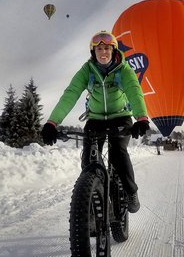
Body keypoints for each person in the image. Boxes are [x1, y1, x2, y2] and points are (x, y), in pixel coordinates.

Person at [41, 30, 150, 212]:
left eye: (107, 48)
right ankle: (92, 195)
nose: (103, 52)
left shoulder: (123, 69)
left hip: (120, 117)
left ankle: (131, 191)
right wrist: (52, 122)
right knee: (88, 160)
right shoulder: (87, 70)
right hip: (96, 119)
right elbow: (71, 94)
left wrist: (141, 117)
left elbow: (134, 90)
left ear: (113, 50)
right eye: (99, 49)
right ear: (93, 52)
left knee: (117, 152)